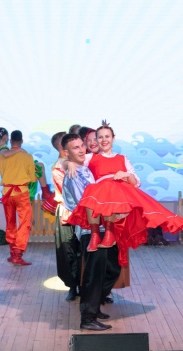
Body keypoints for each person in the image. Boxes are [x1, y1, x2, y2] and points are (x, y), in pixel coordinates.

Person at [66, 122, 183, 266]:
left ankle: (109, 233)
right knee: (93, 192)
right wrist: (69, 163)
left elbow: (136, 182)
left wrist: (125, 175)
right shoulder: (91, 157)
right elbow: (66, 160)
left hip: (120, 193)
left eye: (107, 136)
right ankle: (95, 235)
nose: (104, 140)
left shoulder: (122, 158)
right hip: (101, 193)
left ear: (113, 138)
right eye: (100, 137)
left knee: (108, 192)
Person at [62, 133, 120, 331]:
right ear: (67, 152)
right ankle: (88, 317)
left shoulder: (85, 169)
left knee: (112, 268)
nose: (81, 150)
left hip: (105, 227)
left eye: (81, 146)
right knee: (94, 274)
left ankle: (95, 305)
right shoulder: (73, 175)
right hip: (90, 230)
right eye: (75, 148)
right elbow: (87, 204)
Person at [0, 130, 37, 266]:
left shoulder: (2, 155)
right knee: (25, 223)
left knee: (10, 223)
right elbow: (33, 178)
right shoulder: (27, 156)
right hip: (22, 193)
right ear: (22, 141)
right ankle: (18, 254)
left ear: (10, 141)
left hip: (7, 193)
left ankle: (12, 253)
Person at [50, 130, 80, 301]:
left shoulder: (75, 163)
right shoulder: (60, 166)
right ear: (63, 147)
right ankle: (72, 285)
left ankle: (83, 284)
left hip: (80, 212)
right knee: (68, 251)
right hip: (67, 213)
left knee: (82, 250)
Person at [0, 127, 53, 202]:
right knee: (39, 166)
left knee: (38, 165)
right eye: (7, 137)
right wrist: (20, 149)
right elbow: (5, 154)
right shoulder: (2, 147)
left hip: (11, 172)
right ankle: (45, 192)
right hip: (13, 173)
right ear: (5, 137)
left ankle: (45, 191)